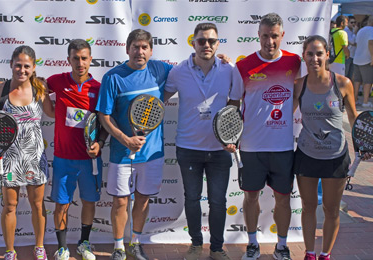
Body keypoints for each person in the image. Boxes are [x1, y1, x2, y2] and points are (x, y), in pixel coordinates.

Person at [229, 13, 301, 260]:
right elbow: (233, 104)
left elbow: (299, 96)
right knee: (250, 197)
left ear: (282, 36)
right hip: (250, 146)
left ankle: (281, 245)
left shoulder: (295, 62)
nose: (269, 41)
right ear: (258, 35)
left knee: (283, 199)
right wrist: (230, 134)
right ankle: (252, 243)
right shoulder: (244, 66)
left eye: (274, 36)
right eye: (265, 36)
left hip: (282, 147)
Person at [96, 29, 173, 260]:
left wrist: (223, 62)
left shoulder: (160, 69)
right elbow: (104, 116)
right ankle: (119, 246)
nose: (139, 52)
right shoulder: (113, 77)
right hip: (122, 154)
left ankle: (136, 242)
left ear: (151, 50)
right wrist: (125, 139)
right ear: (127, 48)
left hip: (152, 154)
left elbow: (190, 69)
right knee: (120, 201)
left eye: (144, 47)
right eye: (135, 47)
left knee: (142, 199)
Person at [164, 22, 238, 260]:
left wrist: (231, 135)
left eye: (211, 41)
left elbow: (234, 106)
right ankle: (196, 245)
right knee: (192, 199)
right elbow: (161, 99)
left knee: (218, 201)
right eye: (202, 41)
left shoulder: (229, 70)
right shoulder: (178, 71)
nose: (206, 45)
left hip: (219, 149)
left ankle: (217, 248)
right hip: (188, 148)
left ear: (217, 44)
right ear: (193, 42)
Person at [292, 35, 368, 260]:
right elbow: (282, 117)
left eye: (319, 53)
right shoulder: (298, 85)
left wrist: (363, 145)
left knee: (331, 210)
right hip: (306, 155)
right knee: (307, 207)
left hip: (336, 157)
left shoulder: (343, 83)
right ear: (303, 56)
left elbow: (354, 119)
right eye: (310, 53)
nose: (314, 58)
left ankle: (325, 254)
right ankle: (310, 253)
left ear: (327, 55)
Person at [0, 45, 54, 260]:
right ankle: (10, 251)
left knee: (38, 205)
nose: (22, 70)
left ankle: (39, 247)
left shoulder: (40, 89)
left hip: (34, 157)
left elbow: (53, 113)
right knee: (10, 206)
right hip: (9, 159)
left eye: (26, 66)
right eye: (18, 65)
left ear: (34, 67)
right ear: (10, 64)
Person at [46, 39, 108, 260]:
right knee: (61, 204)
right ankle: (62, 247)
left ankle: (84, 244)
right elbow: (32, 87)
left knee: (89, 202)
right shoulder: (56, 81)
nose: (80, 62)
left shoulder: (99, 89)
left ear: (90, 59)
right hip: (63, 158)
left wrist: (100, 143)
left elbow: (105, 123)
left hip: (89, 160)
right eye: (75, 58)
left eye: (84, 58)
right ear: (68, 59)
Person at [352, 16, 373, 108]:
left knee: (357, 81)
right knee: (368, 81)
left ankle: (355, 100)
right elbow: (371, 43)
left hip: (357, 58)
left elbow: (357, 43)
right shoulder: (371, 30)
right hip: (366, 60)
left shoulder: (361, 30)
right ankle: (365, 102)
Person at [344, 15, 357, 81]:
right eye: (351, 22)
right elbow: (351, 41)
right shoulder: (346, 30)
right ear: (348, 23)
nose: (353, 24)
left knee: (350, 76)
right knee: (345, 74)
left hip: (353, 56)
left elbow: (356, 42)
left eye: (354, 22)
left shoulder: (353, 30)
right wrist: (354, 33)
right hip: (347, 56)